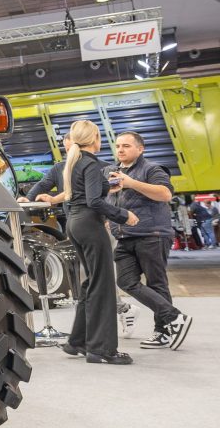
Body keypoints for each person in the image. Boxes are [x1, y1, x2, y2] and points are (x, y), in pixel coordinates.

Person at [59, 120, 138, 365]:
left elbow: (85, 194)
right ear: (95, 139)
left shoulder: (72, 163)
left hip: (74, 223)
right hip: (90, 224)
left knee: (91, 282)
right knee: (103, 286)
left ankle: (78, 341)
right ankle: (102, 349)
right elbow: (93, 201)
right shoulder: (91, 164)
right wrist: (124, 215)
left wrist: (108, 185)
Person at [108, 131, 192, 350]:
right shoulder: (111, 172)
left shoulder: (152, 169)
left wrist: (131, 183)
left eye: (126, 146)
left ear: (140, 149)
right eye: (118, 146)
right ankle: (175, 317)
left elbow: (165, 194)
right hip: (125, 237)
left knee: (157, 283)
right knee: (126, 281)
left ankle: (162, 332)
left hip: (152, 234)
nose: (120, 150)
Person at [21, 133, 72, 204]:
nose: (70, 153)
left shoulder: (88, 166)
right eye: (67, 150)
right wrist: (28, 198)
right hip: (70, 213)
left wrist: (55, 199)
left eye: (72, 149)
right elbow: (43, 185)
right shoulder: (59, 168)